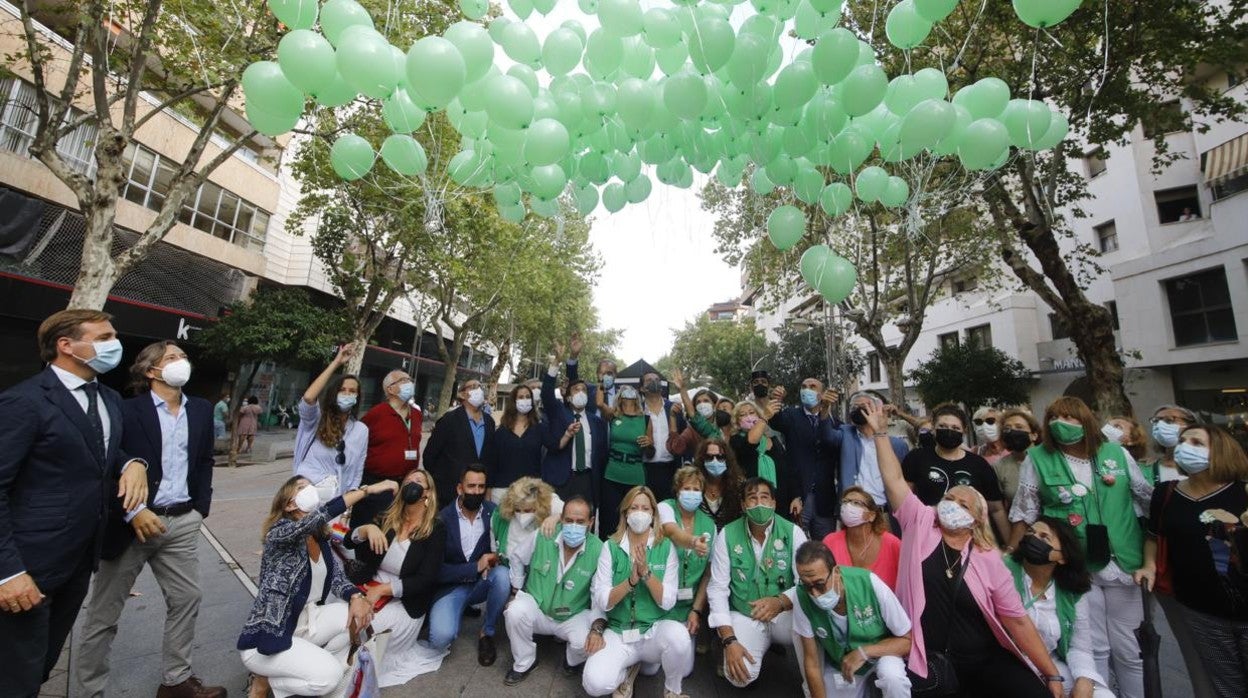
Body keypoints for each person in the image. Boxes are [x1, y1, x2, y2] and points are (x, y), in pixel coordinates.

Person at [868, 400, 1064, 698]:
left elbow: (1017, 619)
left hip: (983, 659)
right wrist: (880, 435)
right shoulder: (920, 523)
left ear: (977, 519)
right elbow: (894, 480)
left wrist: (1051, 673)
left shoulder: (989, 558)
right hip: (932, 661)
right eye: (949, 499)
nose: (953, 506)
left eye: (964, 504)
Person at [0, 309, 149, 697]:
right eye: (103, 337)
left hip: (80, 560)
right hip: (29, 566)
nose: (114, 344)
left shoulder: (110, 399)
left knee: (40, 666)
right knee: (14, 674)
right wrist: (7, 572)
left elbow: (102, 454)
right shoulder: (25, 401)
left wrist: (133, 462)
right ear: (66, 346)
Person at [77, 342, 224, 698]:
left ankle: (176, 681)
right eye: (172, 358)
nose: (181, 363)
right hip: (130, 525)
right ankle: (89, 691)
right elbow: (106, 465)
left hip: (181, 521)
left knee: (187, 599)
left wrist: (198, 508)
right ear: (150, 371)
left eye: (183, 357)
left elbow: (204, 460)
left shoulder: (202, 410)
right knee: (104, 615)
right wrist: (132, 510)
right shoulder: (125, 410)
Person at [1008, 395, 1153, 698]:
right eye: (1055, 418)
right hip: (1076, 566)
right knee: (1092, 647)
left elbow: (1146, 498)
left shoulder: (1117, 454)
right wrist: (1011, 556)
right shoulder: (1038, 458)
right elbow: (1025, 511)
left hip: (1125, 563)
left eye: (1071, 418)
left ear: (1086, 421)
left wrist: (1152, 556)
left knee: (1130, 649)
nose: (1063, 424)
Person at [238, 476, 396, 698]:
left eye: (310, 486)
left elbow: (337, 579)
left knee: (352, 615)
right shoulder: (280, 534)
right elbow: (324, 514)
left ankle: (314, 672)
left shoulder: (319, 537)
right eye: (301, 488)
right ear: (288, 504)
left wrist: (356, 598)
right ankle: (266, 681)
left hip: (304, 625)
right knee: (328, 677)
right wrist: (367, 491)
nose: (309, 490)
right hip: (269, 636)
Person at [1138, 424, 1248, 698]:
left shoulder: (1243, 492)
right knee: (1227, 687)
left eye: (1197, 442)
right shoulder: (1166, 493)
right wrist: (1149, 566)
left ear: (1219, 451)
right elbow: (1154, 537)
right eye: (1183, 441)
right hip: (1200, 610)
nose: (1185, 446)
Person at [581, 486, 691, 698]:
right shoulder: (610, 547)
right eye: (634, 508)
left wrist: (647, 574)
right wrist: (630, 581)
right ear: (626, 513)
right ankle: (628, 671)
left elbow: (668, 602)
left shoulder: (665, 547)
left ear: (653, 514)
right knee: (594, 684)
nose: (640, 513)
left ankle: (672, 690)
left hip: (652, 631)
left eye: (645, 508)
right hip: (618, 632)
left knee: (679, 638)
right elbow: (603, 601)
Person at [346, 469, 448, 686]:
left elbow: (426, 579)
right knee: (344, 622)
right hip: (368, 588)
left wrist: (382, 590)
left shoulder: (436, 529)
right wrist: (365, 529)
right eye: (408, 480)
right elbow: (347, 542)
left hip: (404, 602)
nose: (411, 483)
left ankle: (346, 676)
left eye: (418, 482)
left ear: (427, 494)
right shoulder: (385, 517)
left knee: (363, 627)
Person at [708, 476, 810, 688]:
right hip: (746, 614)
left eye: (765, 498)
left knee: (811, 617)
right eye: (752, 499)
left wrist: (780, 602)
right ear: (744, 506)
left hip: (785, 616)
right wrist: (729, 640)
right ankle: (746, 644)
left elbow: (807, 583)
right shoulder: (727, 534)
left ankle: (811, 682)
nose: (759, 503)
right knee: (739, 676)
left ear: (774, 503)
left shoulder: (793, 533)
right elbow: (717, 589)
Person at [790, 541, 912, 698]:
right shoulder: (802, 597)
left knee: (893, 678)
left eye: (819, 584)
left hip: (882, 654)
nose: (814, 594)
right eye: (807, 586)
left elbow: (907, 640)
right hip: (843, 665)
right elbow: (812, 663)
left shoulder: (868, 582)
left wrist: (864, 652)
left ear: (836, 572)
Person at [502, 495, 603, 685]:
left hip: (572, 614)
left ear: (591, 522)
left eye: (580, 522)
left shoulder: (599, 550)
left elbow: (598, 594)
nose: (574, 526)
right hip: (538, 607)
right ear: (561, 519)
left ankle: (571, 661)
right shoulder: (543, 534)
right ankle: (525, 662)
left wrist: (596, 627)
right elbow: (516, 557)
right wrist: (516, 590)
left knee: (585, 642)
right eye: (569, 520)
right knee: (514, 612)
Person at [1007, 517, 1113, 697]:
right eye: (1031, 532)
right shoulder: (1004, 570)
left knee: (1102, 695)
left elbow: (1079, 646)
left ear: (1062, 557)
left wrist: (1084, 679)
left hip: (1049, 664)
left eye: (1044, 537)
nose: (1034, 538)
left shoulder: (1071, 591)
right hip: (1008, 665)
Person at [428, 463, 510, 665]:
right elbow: (434, 571)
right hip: (451, 588)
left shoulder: (494, 513)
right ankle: (455, 609)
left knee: (502, 576)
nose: (476, 491)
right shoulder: (441, 519)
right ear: (459, 488)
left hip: (480, 584)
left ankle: (487, 632)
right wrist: (474, 567)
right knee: (440, 639)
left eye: (481, 487)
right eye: (471, 486)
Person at [902, 403, 1011, 543]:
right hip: (927, 536)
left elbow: (996, 509)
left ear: (964, 431)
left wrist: (1009, 545)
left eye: (955, 428)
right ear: (934, 428)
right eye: (942, 426)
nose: (948, 431)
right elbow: (905, 500)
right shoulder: (916, 458)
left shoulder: (979, 464)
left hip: (970, 539)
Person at [768, 378, 843, 539]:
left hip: (825, 499)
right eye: (803, 386)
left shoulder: (834, 423)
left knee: (824, 548)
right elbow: (775, 421)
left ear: (822, 394)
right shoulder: (791, 415)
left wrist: (825, 409)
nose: (807, 390)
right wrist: (775, 400)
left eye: (812, 387)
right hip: (797, 496)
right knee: (794, 544)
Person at [823, 392, 910, 528]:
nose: (858, 410)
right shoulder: (845, 434)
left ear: (876, 410)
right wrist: (824, 408)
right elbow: (826, 436)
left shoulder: (897, 446)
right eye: (853, 407)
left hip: (883, 514)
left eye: (863, 406)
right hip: (852, 512)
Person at [293, 345, 368, 502]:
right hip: (305, 499)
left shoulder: (361, 430)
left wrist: (348, 504)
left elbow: (357, 471)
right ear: (334, 393)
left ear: (357, 397)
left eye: (352, 391)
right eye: (343, 390)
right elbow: (308, 398)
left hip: (335, 505)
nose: (347, 394)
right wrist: (336, 363)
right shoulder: (316, 420)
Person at [352, 369, 424, 529]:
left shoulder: (416, 415)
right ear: (390, 389)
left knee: (396, 530)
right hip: (377, 484)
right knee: (372, 530)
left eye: (410, 379)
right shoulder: (376, 414)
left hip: (405, 484)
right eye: (403, 380)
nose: (409, 383)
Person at [657, 466, 716, 651]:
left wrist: (696, 611)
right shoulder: (664, 508)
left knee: (683, 663)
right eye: (686, 488)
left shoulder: (710, 525)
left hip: (687, 607)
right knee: (651, 666)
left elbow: (708, 574)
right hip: (656, 603)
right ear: (677, 490)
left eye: (696, 489)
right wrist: (693, 541)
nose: (692, 493)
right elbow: (671, 531)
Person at [542, 350, 607, 507]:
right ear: (568, 397)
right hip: (562, 479)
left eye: (583, 390)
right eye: (576, 390)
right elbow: (546, 394)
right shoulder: (558, 412)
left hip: (587, 480)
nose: (580, 392)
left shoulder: (597, 422)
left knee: (584, 522)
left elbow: (602, 454)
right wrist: (555, 365)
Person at [424, 377, 496, 509]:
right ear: (462, 394)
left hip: (478, 492)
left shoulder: (489, 422)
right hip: (449, 494)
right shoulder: (449, 420)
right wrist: (443, 480)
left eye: (480, 387)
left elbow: (491, 457)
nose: (479, 390)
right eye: (473, 387)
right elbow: (429, 456)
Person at [730, 401, 802, 521]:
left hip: (781, 504)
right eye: (742, 414)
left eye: (752, 412)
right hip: (755, 503)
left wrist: (796, 497)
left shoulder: (773, 440)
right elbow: (751, 441)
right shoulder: (736, 441)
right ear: (737, 421)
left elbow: (787, 470)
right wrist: (764, 418)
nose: (748, 416)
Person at [822, 485, 902, 589]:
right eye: (845, 502)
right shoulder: (830, 541)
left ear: (871, 515)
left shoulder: (892, 544)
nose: (848, 506)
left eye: (856, 503)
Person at [491, 477, 562, 587]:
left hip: (538, 576)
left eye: (528, 510)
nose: (522, 515)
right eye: (518, 510)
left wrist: (556, 518)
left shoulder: (548, 502)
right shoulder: (499, 518)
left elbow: (570, 512)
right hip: (508, 574)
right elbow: (494, 552)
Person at [599, 383, 649, 536]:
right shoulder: (614, 415)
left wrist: (649, 443)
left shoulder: (645, 419)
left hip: (635, 475)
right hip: (612, 474)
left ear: (637, 397)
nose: (628, 391)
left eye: (631, 389)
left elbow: (651, 451)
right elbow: (599, 403)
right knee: (609, 519)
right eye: (624, 390)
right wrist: (601, 383)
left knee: (634, 519)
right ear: (619, 396)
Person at [487, 383, 543, 503]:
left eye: (528, 397)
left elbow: (555, 446)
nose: (525, 400)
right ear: (514, 401)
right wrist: (488, 492)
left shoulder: (539, 428)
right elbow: (492, 463)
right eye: (521, 397)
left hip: (530, 491)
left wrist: (568, 434)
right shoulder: (501, 432)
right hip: (503, 492)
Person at [640, 368, 682, 502]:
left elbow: (682, 437)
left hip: (670, 469)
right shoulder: (637, 410)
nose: (654, 382)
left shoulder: (673, 408)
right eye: (649, 380)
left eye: (657, 380)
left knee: (668, 510)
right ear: (642, 388)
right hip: (644, 470)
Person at [667, 368, 724, 458]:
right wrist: (673, 418)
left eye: (706, 401)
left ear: (714, 405)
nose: (702, 404)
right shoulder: (692, 430)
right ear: (694, 407)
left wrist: (683, 389)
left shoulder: (723, 425)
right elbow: (676, 449)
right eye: (698, 402)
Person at [693, 438, 745, 528]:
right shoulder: (694, 484)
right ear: (702, 460)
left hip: (729, 538)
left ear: (727, 459)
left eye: (720, 457)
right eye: (709, 457)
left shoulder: (738, 485)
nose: (714, 461)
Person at [1140, 404, 1198, 484]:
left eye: (1169, 420)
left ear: (1191, 426)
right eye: (1156, 421)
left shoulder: (1207, 465)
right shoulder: (1145, 468)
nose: (1160, 425)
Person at [997, 408, 1042, 508]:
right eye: (1007, 428)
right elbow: (998, 507)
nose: (1012, 431)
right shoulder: (999, 466)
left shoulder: (1048, 460)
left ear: (1034, 435)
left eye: (1019, 427)